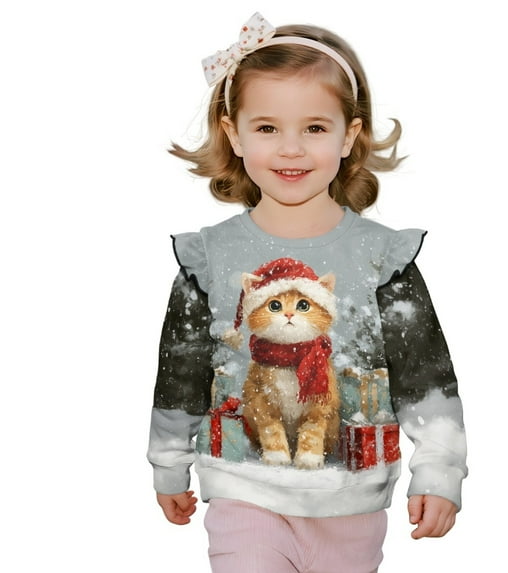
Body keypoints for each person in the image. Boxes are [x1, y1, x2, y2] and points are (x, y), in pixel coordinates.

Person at [147, 12, 467, 573]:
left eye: (315, 128)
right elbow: (181, 371)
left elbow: (424, 374)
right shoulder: (209, 257)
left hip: (352, 500)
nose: (291, 149)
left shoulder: (382, 257)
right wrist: (168, 463)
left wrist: (440, 472)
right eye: (267, 128)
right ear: (233, 134)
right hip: (242, 488)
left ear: (350, 136)